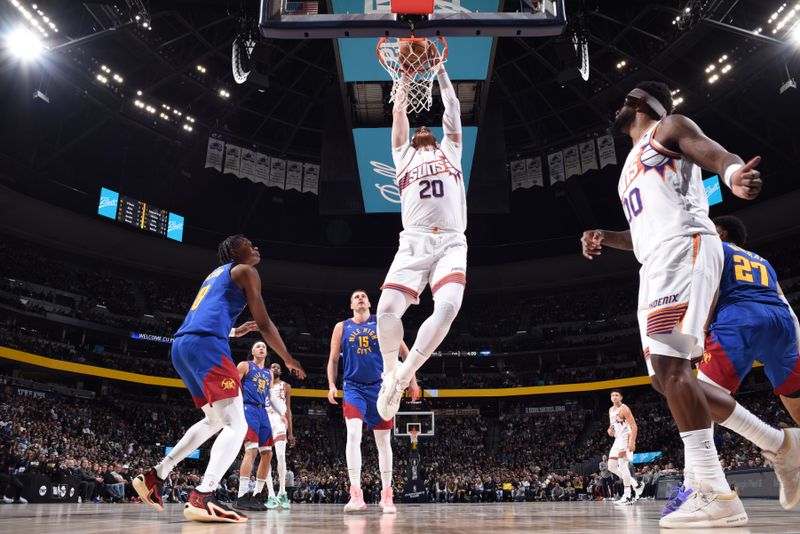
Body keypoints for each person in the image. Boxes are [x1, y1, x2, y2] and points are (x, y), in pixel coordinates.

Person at [581, 80, 763, 528]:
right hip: (655, 258)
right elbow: (641, 233)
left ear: (641, 103)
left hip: (685, 248)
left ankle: (714, 490)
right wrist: (606, 237)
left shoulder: (668, 126)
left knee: (672, 368)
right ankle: (775, 443)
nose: (619, 106)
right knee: (666, 379)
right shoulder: (628, 165)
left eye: (626, 100)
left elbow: (713, 152)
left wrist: (732, 173)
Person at [133, 234, 305, 523]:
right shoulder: (246, 270)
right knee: (238, 425)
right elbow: (264, 322)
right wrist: (287, 357)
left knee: (214, 421)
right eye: (250, 244)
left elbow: (206, 314)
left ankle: (157, 474)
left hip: (183, 346)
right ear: (235, 251)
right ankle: (204, 495)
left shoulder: (214, 275)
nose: (256, 247)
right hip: (207, 347)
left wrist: (236, 332)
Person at [375, 54, 467, 421]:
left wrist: (441, 68)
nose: (422, 129)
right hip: (413, 240)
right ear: (412, 140)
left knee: (446, 309)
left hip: (451, 242)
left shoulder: (452, 150)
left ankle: (403, 375)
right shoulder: (402, 156)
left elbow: (453, 106)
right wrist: (401, 77)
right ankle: (387, 374)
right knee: (385, 311)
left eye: (425, 129)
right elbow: (399, 114)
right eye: (416, 131)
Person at [692, 216, 800, 509]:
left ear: (721, 232)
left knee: (695, 399)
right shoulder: (763, 260)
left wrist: (698, 335)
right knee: (794, 395)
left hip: (739, 319)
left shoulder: (715, 248)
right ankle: (791, 454)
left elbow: (710, 292)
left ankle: (703, 487)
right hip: (781, 321)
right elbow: (783, 300)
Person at [327, 289, 420, 513]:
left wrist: (412, 381)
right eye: (355, 297)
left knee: (383, 441)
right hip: (353, 387)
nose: (359, 298)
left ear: (370, 302)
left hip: (381, 387)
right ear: (351, 305)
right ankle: (356, 493)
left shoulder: (381, 323)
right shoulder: (342, 327)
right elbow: (332, 360)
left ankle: (387, 495)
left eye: (363, 296)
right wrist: (331, 385)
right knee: (353, 434)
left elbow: (406, 352)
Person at [233, 341, 288, 512]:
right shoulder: (245, 365)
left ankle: (256, 494)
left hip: (263, 412)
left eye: (264, 346)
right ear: (252, 351)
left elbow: (271, 397)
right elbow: (232, 386)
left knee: (268, 453)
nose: (261, 348)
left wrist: (282, 414)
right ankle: (242, 496)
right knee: (251, 450)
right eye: (257, 346)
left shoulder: (269, 373)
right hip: (248, 408)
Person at [607, 390, 644, 505]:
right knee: (611, 466)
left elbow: (634, 426)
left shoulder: (624, 408)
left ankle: (627, 495)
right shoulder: (610, 410)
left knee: (623, 466)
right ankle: (636, 484)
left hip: (625, 438)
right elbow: (611, 426)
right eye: (612, 395)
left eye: (617, 395)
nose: (614, 397)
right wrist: (609, 431)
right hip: (617, 439)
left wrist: (632, 442)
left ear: (621, 397)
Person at [265, 362, 293, 509]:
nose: (275, 369)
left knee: (281, 456)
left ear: (280, 372)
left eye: (277, 367)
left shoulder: (286, 386)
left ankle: (282, 492)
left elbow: (288, 409)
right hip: (265, 418)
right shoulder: (263, 384)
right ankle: (270, 494)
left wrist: (291, 433)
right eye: (273, 367)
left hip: (279, 419)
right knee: (266, 457)